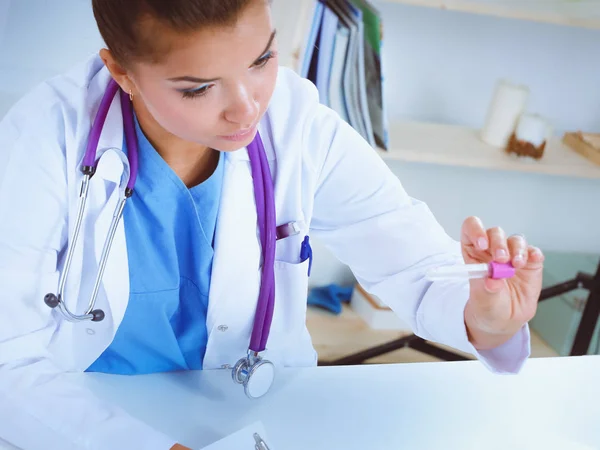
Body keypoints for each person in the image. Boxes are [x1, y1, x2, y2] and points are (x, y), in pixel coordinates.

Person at [0, 0, 544, 449]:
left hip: (255, 412)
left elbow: (415, 264)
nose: (247, 108)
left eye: (262, 60)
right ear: (123, 72)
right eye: (198, 88)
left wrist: (486, 317)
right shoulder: (45, 137)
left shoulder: (298, 124)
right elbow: (9, 359)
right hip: (86, 418)